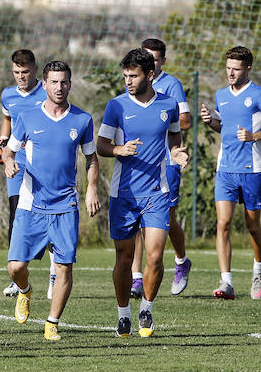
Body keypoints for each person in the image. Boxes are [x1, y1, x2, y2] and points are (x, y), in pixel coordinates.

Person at [3, 61, 100, 340]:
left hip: (65, 205)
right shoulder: (28, 117)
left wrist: (92, 189)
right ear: (44, 84)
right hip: (31, 204)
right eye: (54, 82)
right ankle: (24, 291)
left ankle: (52, 324)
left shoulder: (81, 120)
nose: (59, 87)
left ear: (70, 84)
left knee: (64, 266)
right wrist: (9, 163)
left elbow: (91, 158)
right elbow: (9, 151)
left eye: (64, 82)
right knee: (15, 267)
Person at [97, 49, 187, 338]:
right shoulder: (116, 106)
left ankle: (146, 309)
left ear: (149, 75)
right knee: (124, 258)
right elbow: (101, 145)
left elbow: (174, 135)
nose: (128, 81)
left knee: (155, 257)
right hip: (124, 194)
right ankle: (123, 314)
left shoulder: (169, 104)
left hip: (157, 192)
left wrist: (177, 154)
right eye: (125, 76)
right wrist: (118, 150)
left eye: (133, 76)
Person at [129, 38, 193, 298]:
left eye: (154, 58)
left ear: (162, 61)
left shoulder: (171, 85)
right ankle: (136, 277)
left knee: (168, 217)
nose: (150, 62)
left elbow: (185, 121)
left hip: (166, 162)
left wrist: (161, 124)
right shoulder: (132, 86)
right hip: (138, 164)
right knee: (135, 219)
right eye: (146, 57)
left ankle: (181, 260)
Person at [199, 46, 261, 300]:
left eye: (235, 69)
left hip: (253, 170)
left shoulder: (257, 94)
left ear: (248, 68)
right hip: (225, 170)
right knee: (222, 224)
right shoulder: (221, 95)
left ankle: (258, 272)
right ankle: (226, 283)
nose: (230, 73)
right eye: (228, 68)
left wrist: (254, 136)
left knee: (253, 226)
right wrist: (210, 121)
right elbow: (222, 127)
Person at [0, 50, 54, 299]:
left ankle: (55, 273)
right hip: (17, 166)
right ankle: (18, 279)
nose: (20, 77)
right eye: (16, 72)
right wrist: (1, 143)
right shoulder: (8, 95)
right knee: (17, 218)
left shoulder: (47, 92)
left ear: (35, 69)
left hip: (44, 167)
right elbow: (7, 119)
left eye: (25, 72)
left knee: (52, 216)